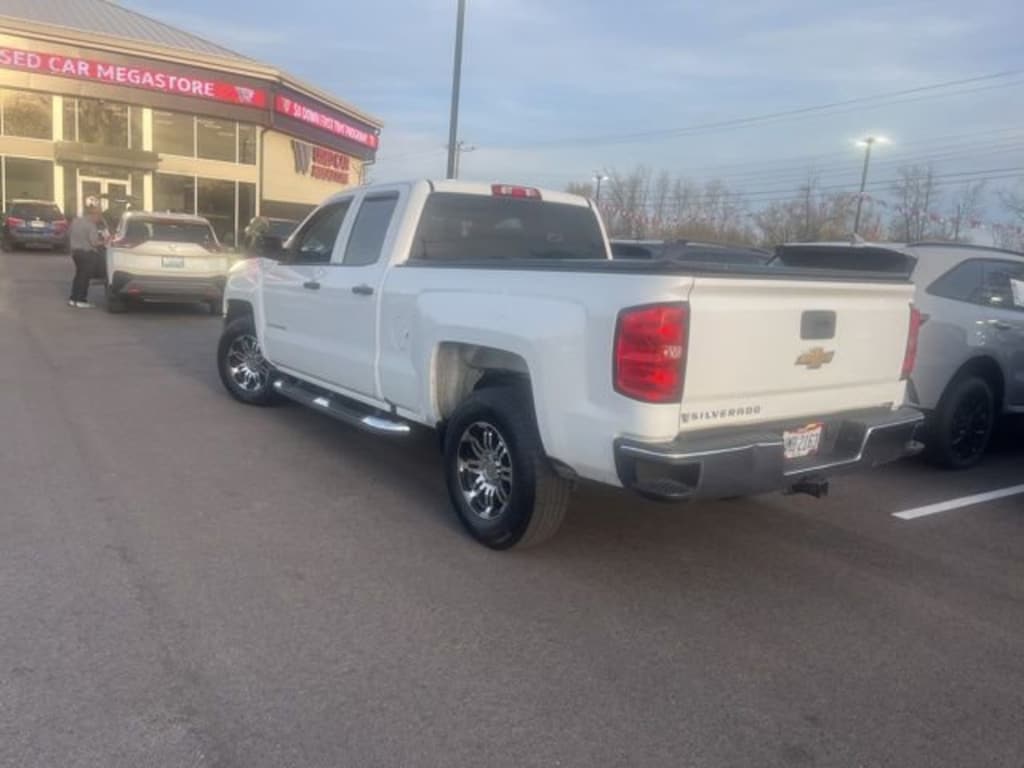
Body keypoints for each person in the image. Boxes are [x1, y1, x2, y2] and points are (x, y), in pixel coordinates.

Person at [68, 203, 105, 308]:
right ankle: (81, 300)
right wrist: (105, 241)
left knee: (78, 276)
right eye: (99, 216)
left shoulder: (75, 221)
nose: (99, 219)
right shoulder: (91, 225)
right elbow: (94, 243)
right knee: (84, 277)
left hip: (75, 253)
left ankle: (73, 298)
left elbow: (69, 234)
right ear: (94, 215)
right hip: (87, 254)